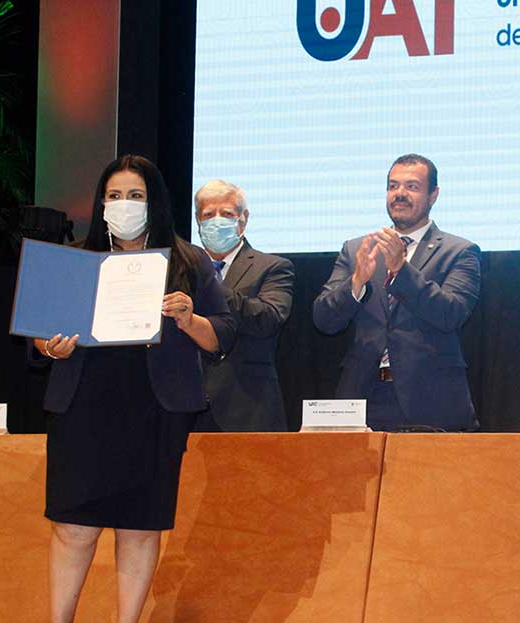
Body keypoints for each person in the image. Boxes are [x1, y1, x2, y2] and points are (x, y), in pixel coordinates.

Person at [29, 155, 235, 623]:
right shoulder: (75, 260)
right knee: (73, 527)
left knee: (140, 528)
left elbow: (222, 336)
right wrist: (50, 346)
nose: (124, 205)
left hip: (155, 410)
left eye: (135, 196)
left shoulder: (188, 261)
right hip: (83, 407)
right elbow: (38, 336)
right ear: (101, 203)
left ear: (154, 202)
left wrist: (189, 319)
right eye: (115, 196)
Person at [312, 154, 481, 431]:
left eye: (412, 186)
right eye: (393, 186)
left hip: (431, 401)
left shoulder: (460, 252)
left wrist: (401, 270)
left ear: (433, 195)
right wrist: (356, 282)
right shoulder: (357, 250)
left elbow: (451, 314)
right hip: (362, 398)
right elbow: (324, 320)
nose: (400, 193)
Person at [192, 179, 295, 431]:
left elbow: (269, 318)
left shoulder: (273, 267)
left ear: (243, 219)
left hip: (248, 408)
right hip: (186, 408)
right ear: (197, 220)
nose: (217, 221)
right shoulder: (180, 269)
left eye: (227, 214)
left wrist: (210, 283)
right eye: (208, 215)